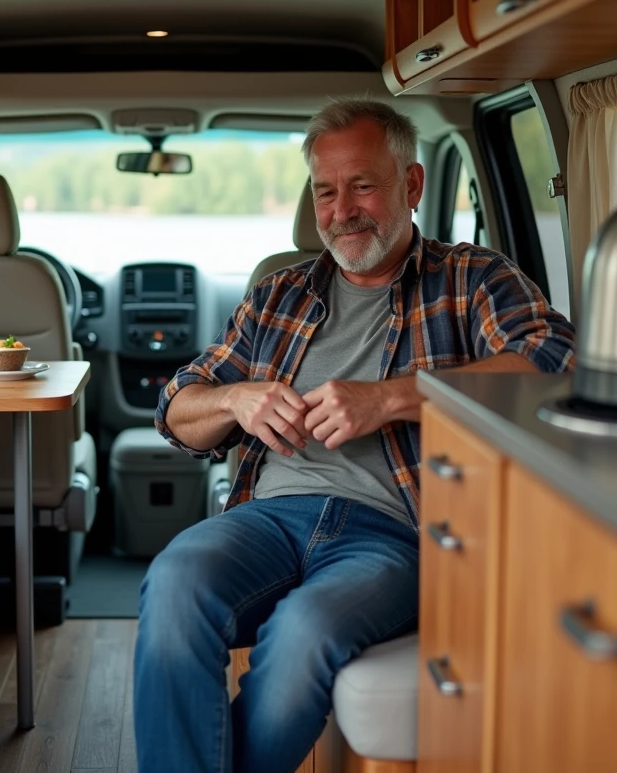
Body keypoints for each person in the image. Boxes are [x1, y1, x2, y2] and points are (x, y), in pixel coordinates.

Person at [133, 97, 575, 773]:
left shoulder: (470, 278)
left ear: (413, 185)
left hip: (395, 533)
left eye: (362, 185)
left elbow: (555, 363)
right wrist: (236, 399)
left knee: (305, 631)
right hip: (268, 520)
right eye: (325, 191)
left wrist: (395, 396)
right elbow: (175, 408)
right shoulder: (276, 295)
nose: (342, 210)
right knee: (172, 582)